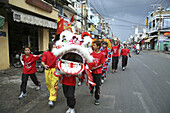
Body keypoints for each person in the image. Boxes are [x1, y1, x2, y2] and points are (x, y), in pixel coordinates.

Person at [41, 42, 59, 107]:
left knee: (54, 84)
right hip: (47, 70)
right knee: (48, 84)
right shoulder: (46, 53)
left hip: (55, 70)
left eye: (55, 45)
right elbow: (42, 61)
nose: (55, 46)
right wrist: (44, 65)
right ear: (50, 46)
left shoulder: (57, 53)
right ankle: (52, 94)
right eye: (54, 45)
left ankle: (51, 99)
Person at [90, 41, 105, 105]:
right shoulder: (91, 53)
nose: (93, 46)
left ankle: (97, 98)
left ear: (98, 46)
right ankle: (91, 89)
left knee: (97, 86)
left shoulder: (102, 54)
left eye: (94, 45)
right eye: (93, 45)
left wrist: (95, 68)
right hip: (91, 72)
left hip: (98, 73)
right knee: (91, 84)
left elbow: (101, 64)